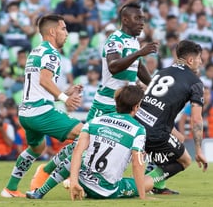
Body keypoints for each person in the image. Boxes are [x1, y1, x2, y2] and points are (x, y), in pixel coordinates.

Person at [1, 14, 84, 198]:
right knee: (85, 134)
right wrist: (64, 98)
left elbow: (39, 89)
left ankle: (11, 188)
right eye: (63, 29)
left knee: (37, 149)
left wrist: (65, 92)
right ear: (53, 31)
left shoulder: (36, 52)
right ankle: (49, 172)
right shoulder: (51, 54)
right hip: (40, 113)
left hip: (26, 112)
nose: (67, 33)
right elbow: (45, 80)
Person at [26, 85, 155, 200]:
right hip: (107, 190)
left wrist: (75, 181)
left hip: (82, 180)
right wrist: (143, 197)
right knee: (149, 181)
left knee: (76, 155)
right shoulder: (138, 130)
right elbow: (137, 165)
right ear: (136, 106)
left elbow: (77, 151)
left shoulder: (96, 120)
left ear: (116, 103)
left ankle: (40, 192)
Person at [135, 40, 208, 194]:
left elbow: (156, 105)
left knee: (177, 140)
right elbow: (196, 119)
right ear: (190, 60)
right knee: (185, 160)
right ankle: (140, 185)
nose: (200, 62)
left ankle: (158, 187)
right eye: (199, 58)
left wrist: (173, 132)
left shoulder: (162, 72)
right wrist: (199, 150)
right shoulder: (196, 83)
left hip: (137, 125)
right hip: (155, 132)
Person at [86, 2, 159, 122]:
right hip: (107, 103)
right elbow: (113, 67)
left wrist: (154, 87)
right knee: (88, 137)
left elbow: (139, 67)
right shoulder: (115, 40)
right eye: (137, 18)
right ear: (125, 20)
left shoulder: (134, 41)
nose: (142, 23)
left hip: (125, 104)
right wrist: (139, 53)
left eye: (143, 19)